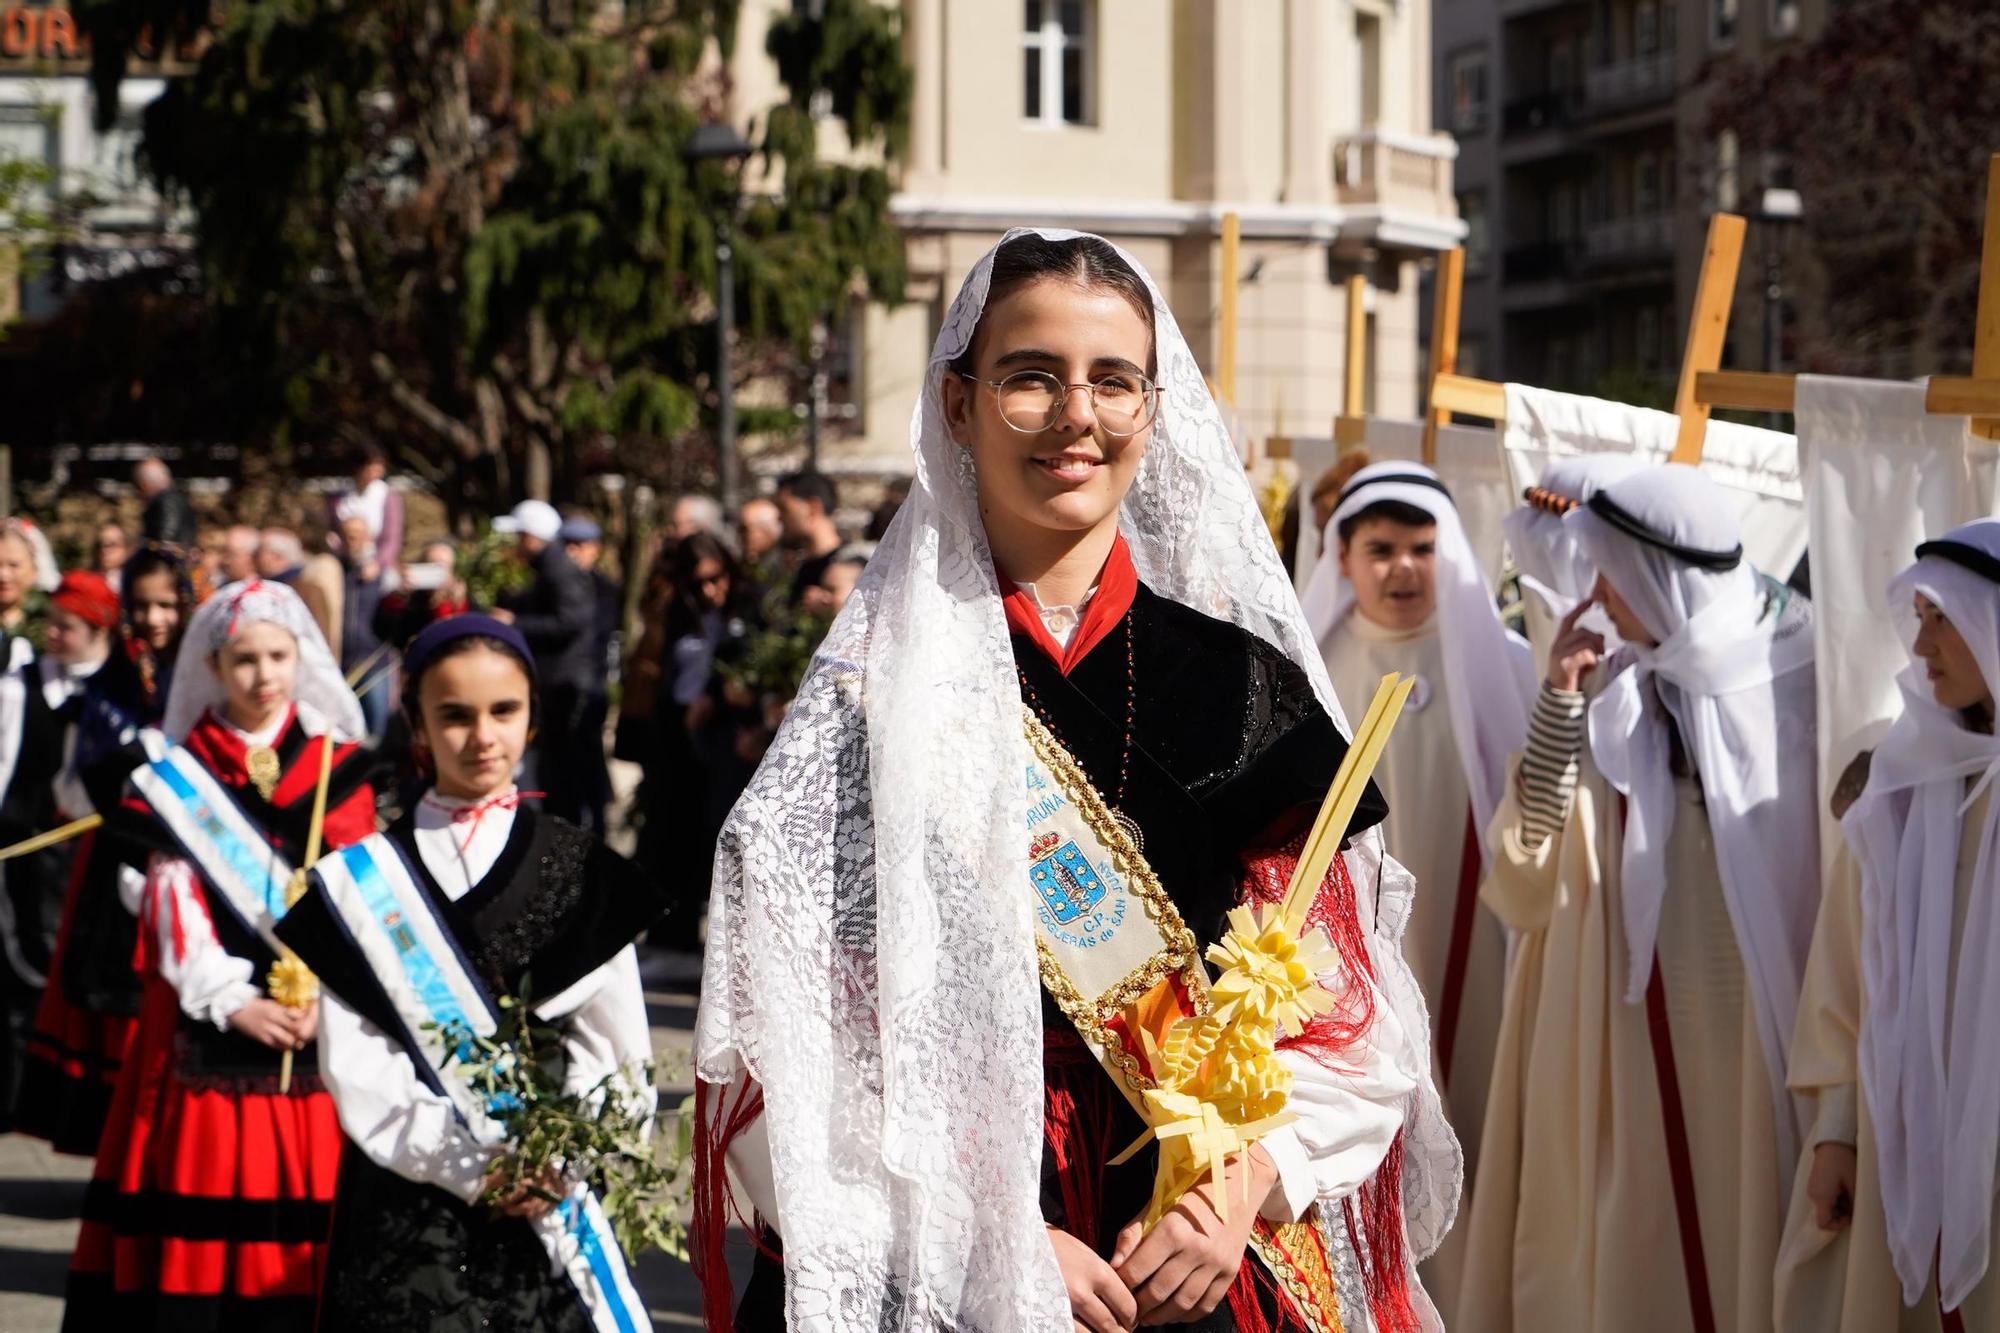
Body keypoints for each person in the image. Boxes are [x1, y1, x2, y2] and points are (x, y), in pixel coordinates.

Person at [693, 230, 1455, 1333]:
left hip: (1188, 1258)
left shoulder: (1244, 690)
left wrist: (1237, 1191)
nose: (1075, 416)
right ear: (956, 405)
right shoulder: (863, 710)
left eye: (1111, 381)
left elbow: (1352, 1024)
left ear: (1155, 408)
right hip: (943, 1258)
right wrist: (988, 1238)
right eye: (1029, 379)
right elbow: (787, 1055)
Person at [1464, 464, 1815, 1333]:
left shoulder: (1793, 679)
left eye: (1614, 581)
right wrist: (1560, 700)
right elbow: (1524, 861)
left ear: (1663, 578)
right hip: (1621, 1025)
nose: (1604, 603)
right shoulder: (1620, 686)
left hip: (1749, 1029)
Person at [272, 613, 666, 1332]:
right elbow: (358, 1065)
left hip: (551, 1198)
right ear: (416, 723)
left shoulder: (582, 869)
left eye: (503, 711)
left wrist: (561, 1157)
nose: (482, 736)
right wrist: (469, 1165)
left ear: (532, 717)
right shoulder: (362, 884)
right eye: (453, 715)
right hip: (411, 1198)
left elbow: (617, 1051)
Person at [60, 579, 377, 1331]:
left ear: (302, 658)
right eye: (243, 659)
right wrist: (232, 998)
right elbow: (169, 898)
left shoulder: (342, 767)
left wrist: (321, 997)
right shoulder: (174, 775)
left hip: (319, 1036)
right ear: (213, 664)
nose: (263, 675)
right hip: (215, 1035)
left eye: (278, 655)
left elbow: (368, 900)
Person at [1302, 459, 1533, 1310]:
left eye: (1424, 548)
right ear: (1346, 557)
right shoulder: (1307, 663)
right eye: (1382, 548)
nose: (1403, 567)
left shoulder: (1505, 664)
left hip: (1478, 946)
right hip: (1344, 957)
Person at [1774, 518, 2000, 1332]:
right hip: (1901, 1127)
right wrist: (1836, 1131)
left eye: (1948, 619)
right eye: (1921, 616)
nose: (1923, 643)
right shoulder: (1898, 783)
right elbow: (1846, 976)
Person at [11, 572, 147, 1150]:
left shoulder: (123, 693)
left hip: (102, 854)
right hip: (48, 849)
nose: (53, 636)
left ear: (98, 631)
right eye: (52, 625)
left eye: (66, 627)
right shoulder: (30, 683)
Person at [490, 500, 596, 827]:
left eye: (520, 536)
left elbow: (572, 620)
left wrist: (517, 622)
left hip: (565, 682)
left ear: (533, 537)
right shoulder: (544, 568)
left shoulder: (558, 568)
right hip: (555, 680)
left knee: (565, 769)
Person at [561, 516, 619, 835]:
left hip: (590, 684)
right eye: (566, 545)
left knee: (590, 758)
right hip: (564, 684)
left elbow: (597, 635)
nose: (572, 553)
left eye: (578, 546)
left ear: (594, 549)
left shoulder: (603, 588)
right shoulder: (552, 584)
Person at [335, 506, 393, 737]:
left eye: (357, 535)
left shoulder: (383, 574)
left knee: (379, 728)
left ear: (368, 537)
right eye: (347, 535)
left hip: (373, 662)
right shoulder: (335, 571)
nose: (352, 541)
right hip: (342, 661)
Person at [326, 442, 404, 571]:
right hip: (342, 560)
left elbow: (392, 537)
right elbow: (331, 530)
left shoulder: (387, 495)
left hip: (375, 563)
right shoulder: (338, 497)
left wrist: (377, 564)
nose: (375, 472)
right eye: (371, 467)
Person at [774, 469, 842, 608]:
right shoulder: (800, 569)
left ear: (812, 507)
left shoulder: (851, 565)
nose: (779, 518)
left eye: (784, 509)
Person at [134, 457, 198, 550]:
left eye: (138, 488)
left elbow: (166, 543)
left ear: (145, 485)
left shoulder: (166, 503)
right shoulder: (177, 499)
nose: (139, 494)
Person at [736, 495, 783, 567]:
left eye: (744, 529)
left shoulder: (782, 566)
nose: (740, 535)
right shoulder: (738, 564)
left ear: (766, 530)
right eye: (739, 529)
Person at [93, 523, 131, 592]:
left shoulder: (132, 583)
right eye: (99, 545)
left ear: (126, 549)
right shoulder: (84, 582)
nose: (104, 550)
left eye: (111, 545)